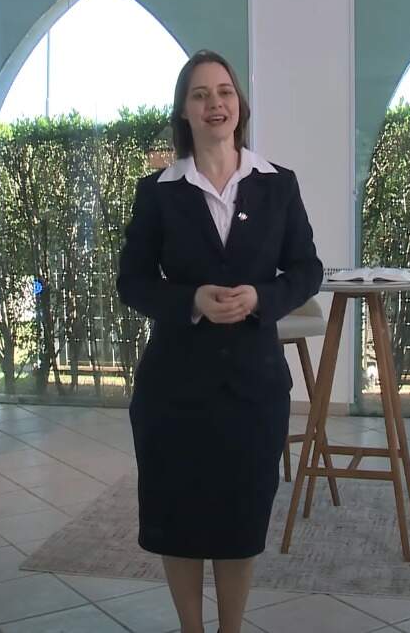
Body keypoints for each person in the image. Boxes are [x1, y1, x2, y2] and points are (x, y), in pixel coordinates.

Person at [116, 50, 323, 633]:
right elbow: (132, 282)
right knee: (177, 520)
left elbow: (306, 270)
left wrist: (260, 297)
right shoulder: (158, 192)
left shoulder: (278, 185)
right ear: (184, 110)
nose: (215, 103)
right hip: (174, 389)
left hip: (253, 387)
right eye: (200, 94)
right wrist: (190, 301)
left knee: (239, 521)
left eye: (224, 92)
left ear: (240, 105)